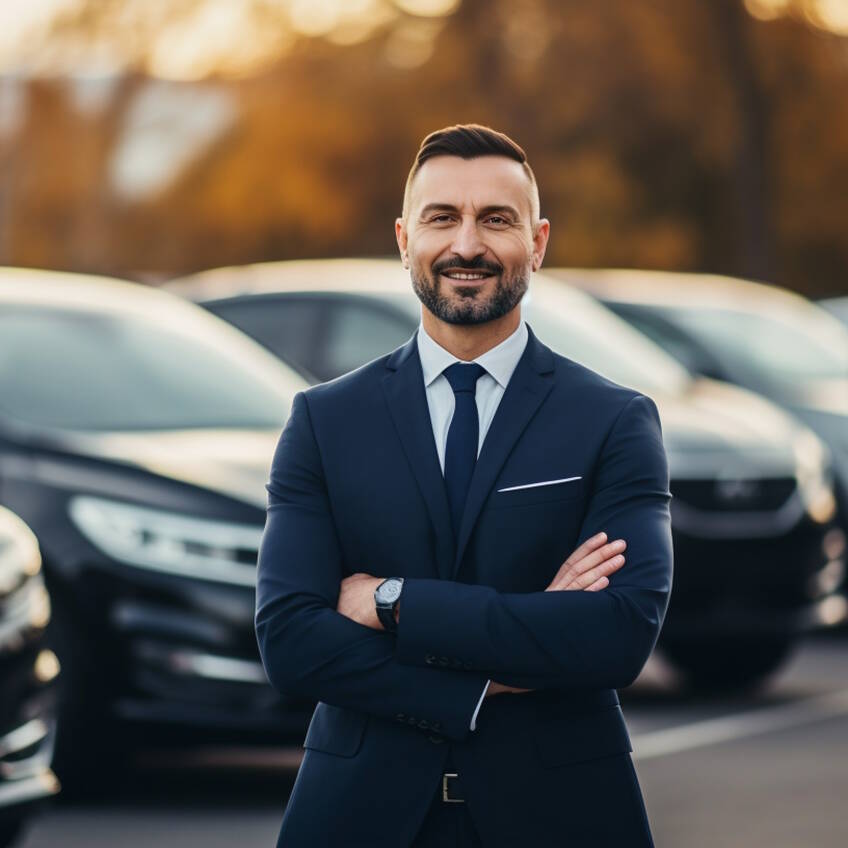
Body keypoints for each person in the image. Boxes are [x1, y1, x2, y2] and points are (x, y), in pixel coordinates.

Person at [255, 124, 673, 847]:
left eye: (497, 219)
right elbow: (291, 639)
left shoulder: (614, 421)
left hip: (563, 815)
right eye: (442, 218)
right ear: (403, 239)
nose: (468, 245)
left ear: (537, 243)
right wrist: (486, 681)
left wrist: (392, 601)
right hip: (358, 817)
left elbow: (616, 636)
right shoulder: (325, 421)